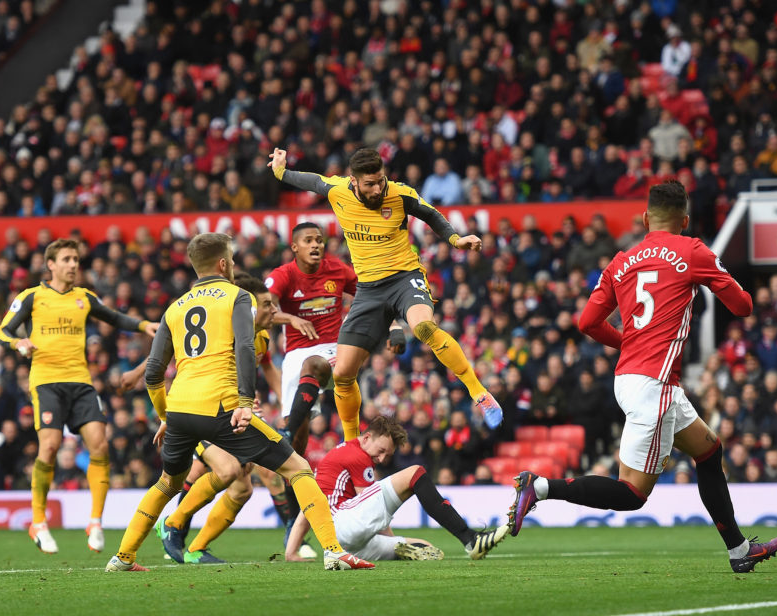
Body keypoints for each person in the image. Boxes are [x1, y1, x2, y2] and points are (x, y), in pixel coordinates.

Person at [508, 181, 777, 573]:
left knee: (709, 451)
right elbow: (743, 306)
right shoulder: (693, 250)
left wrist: (628, 343)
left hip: (641, 379)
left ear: (644, 218)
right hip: (652, 385)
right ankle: (539, 487)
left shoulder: (621, 260)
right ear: (685, 221)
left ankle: (739, 551)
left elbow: (587, 322)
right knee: (632, 495)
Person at [105, 233, 372, 572]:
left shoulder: (175, 307)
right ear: (223, 264)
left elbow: (153, 373)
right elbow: (246, 348)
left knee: (167, 483)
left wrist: (163, 415)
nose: (232, 264)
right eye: (230, 259)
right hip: (220, 405)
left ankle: (124, 556)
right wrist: (245, 401)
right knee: (298, 468)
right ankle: (334, 551)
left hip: (180, 409)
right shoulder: (238, 296)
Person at [268, 147, 503, 437]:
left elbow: (432, 215)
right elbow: (309, 180)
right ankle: (352, 443)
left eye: (381, 180)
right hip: (369, 290)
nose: (378, 188)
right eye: (370, 184)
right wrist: (280, 170)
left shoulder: (399, 193)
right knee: (342, 374)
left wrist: (456, 240)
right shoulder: (337, 190)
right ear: (353, 181)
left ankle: (479, 393)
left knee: (423, 327)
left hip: (405, 279)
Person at [0, 238, 158, 555]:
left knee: (99, 444)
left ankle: (95, 521)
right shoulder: (32, 297)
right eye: (67, 259)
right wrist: (19, 344)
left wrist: (142, 325)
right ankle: (38, 522)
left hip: (81, 381)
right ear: (51, 264)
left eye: (76, 259)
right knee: (51, 446)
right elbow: (3, 331)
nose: (73, 264)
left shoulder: (84, 297)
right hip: (46, 382)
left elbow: (113, 317)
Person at [118, 273, 285, 564]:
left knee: (242, 488)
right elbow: (169, 350)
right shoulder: (222, 325)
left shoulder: (262, 337)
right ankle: (172, 524)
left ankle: (195, 549)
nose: (275, 311)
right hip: (200, 408)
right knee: (226, 471)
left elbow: (263, 366)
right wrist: (137, 373)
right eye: (268, 305)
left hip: (231, 411)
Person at [264, 221, 404, 454]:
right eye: (308, 241)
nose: (315, 245)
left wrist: (394, 326)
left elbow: (375, 297)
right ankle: (295, 481)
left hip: (335, 348)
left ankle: (292, 434)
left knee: (313, 365)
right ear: (295, 247)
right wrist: (290, 319)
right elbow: (262, 309)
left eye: (319, 240)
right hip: (295, 354)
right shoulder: (283, 275)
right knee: (298, 436)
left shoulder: (337, 270)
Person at [285, 416, 509, 562]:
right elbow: (370, 507)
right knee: (416, 473)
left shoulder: (338, 454)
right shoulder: (357, 455)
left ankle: (399, 547)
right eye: (381, 450)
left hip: (338, 542)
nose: (381, 459)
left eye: (387, 455)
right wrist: (389, 534)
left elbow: (309, 507)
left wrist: (291, 551)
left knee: (425, 548)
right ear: (366, 437)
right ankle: (471, 540)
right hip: (346, 523)